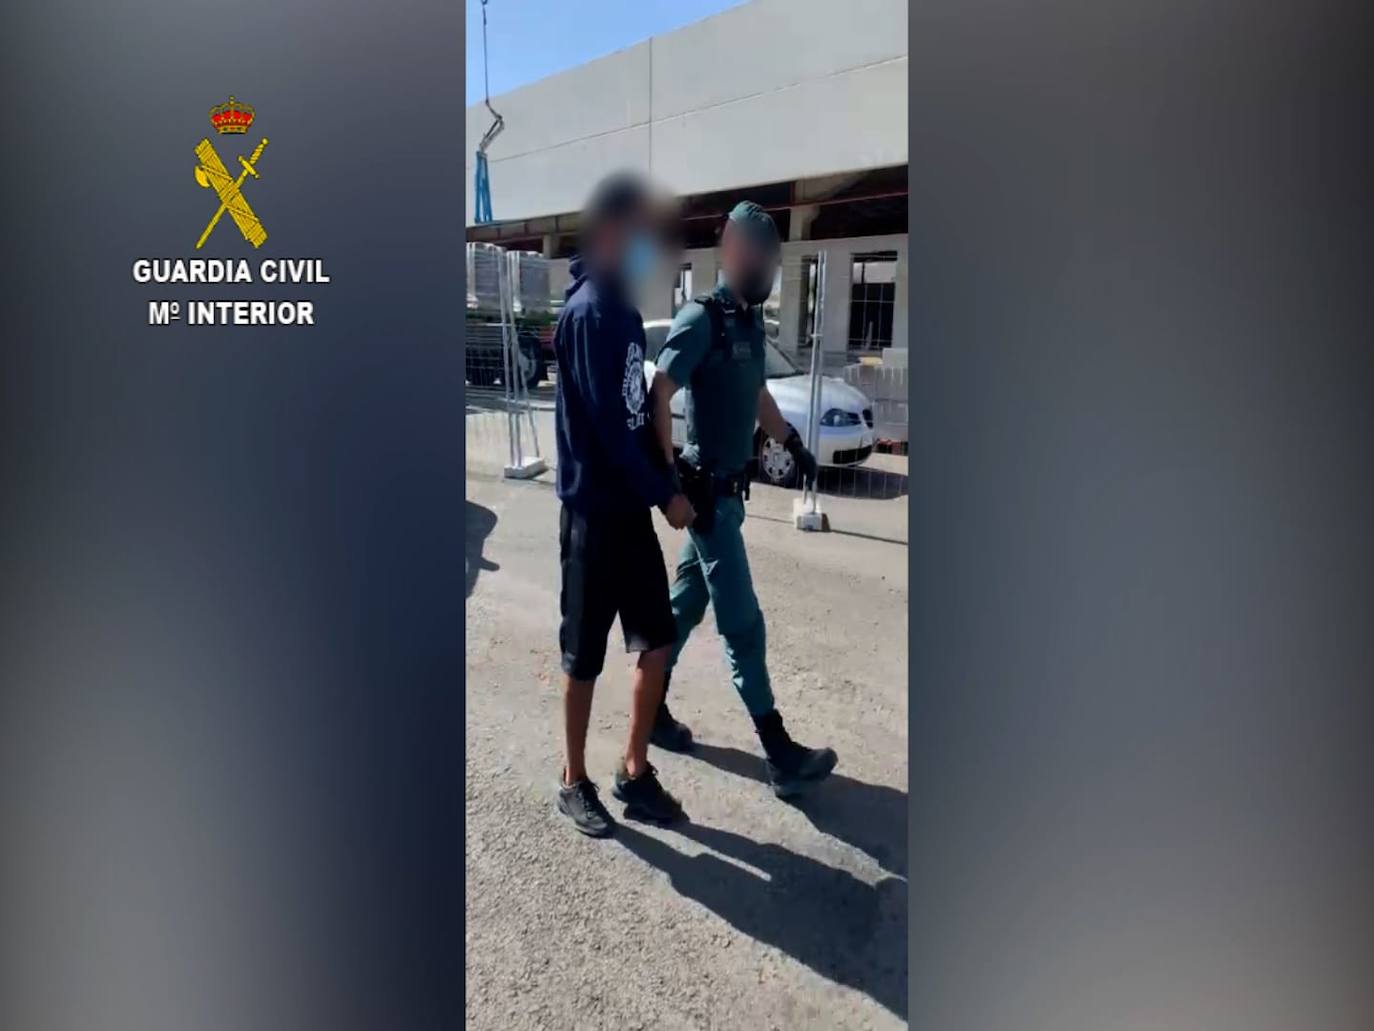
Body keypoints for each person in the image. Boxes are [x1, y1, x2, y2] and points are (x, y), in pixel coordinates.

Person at [647, 201, 838, 798]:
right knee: (743, 624)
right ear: (731, 249)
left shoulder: (750, 324)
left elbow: (758, 396)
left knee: (683, 607)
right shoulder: (700, 319)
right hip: (706, 499)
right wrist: (669, 482)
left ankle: (649, 706)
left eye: (770, 258)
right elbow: (659, 394)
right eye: (757, 254)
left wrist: (793, 443)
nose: (765, 267)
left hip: (731, 497)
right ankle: (778, 752)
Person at [552, 172, 696, 837]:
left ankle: (634, 771)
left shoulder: (626, 312)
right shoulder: (588, 314)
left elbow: (636, 414)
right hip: (593, 517)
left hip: (631, 512)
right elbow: (611, 431)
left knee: (657, 640)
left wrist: (670, 470)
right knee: (583, 658)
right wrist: (665, 495)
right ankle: (572, 779)